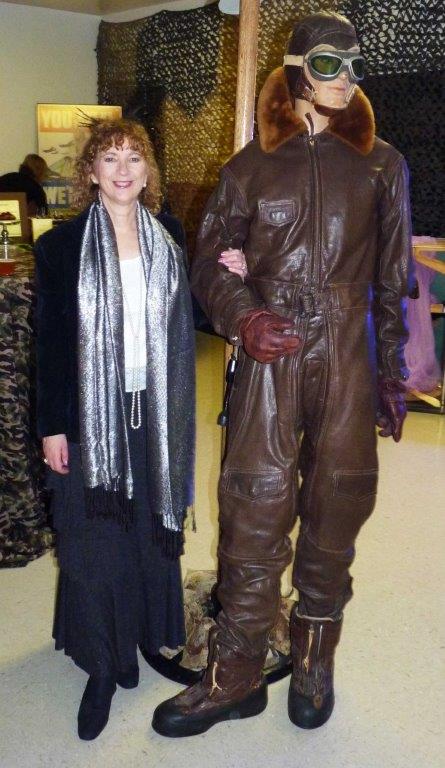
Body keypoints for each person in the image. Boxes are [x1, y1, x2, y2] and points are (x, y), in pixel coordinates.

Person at [152, 11, 413, 737]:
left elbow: (394, 279)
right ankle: (234, 672)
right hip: (271, 354)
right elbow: (205, 260)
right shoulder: (248, 167)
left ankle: (313, 658)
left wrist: (391, 373)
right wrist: (242, 315)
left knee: (337, 503)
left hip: (347, 351)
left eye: (353, 67)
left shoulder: (381, 164)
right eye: (330, 65)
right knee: (253, 505)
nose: (346, 81)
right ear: (297, 68)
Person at [35, 118, 195, 741]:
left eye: (134, 157)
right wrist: (52, 427)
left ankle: (150, 639)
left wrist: (227, 268)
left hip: (156, 415)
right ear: (92, 173)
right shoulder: (60, 246)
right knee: (93, 541)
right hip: (87, 420)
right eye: (110, 158)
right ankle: (102, 664)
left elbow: (194, 318)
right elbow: (49, 345)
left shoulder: (171, 238)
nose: (123, 169)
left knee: (150, 532)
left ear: (147, 170)